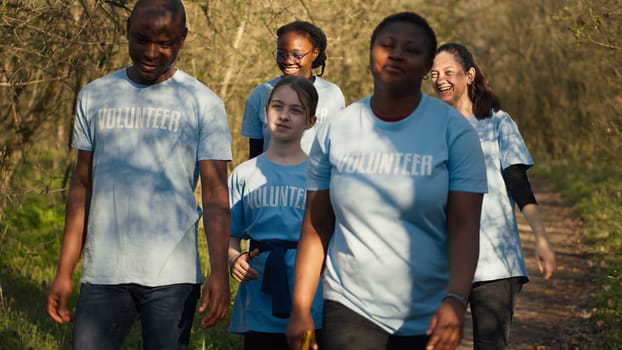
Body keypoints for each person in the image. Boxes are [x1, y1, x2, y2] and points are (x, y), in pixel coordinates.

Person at [286, 12, 488, 350]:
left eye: (411, 49)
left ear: (426, 66)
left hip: (428, 312)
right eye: (387, 45)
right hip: (350, 305)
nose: (396, 54)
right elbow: (316, 225)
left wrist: (455, 299)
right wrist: (301, 308)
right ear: (370, 54)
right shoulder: (338, 129)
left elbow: (464, 226)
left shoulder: (454, 132)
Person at [45, 1, 232, 348]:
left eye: (165, 43)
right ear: (127, 29)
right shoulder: (95, 96)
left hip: (172, 278)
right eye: (141, 39)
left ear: (183, 39)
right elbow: (81, 186)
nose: (151, 52)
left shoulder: (203, 103)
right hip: (103, 273)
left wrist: (219, 272)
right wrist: (64, 271)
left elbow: (216, 195)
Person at [430, 42, 557, 350]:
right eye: (433, 74)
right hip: (440, 262)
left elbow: (518, 183)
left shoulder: (498, 122)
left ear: (469, 75)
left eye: (449, 72)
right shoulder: (428, 129)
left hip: (495, 262)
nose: (440, 79)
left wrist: (540, 237)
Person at [228, 76, 322, 350]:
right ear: (265, 111)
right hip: (259, 299)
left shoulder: (319, 176)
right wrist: (235, 259)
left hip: (309, 303)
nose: (284, 116)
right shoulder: (244, 174)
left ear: (310, 121)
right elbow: (231, 233)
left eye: (296, 110)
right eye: (277, 106)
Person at [240, 20, 345, 158]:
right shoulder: (261, 94)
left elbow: (339, 147)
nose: (288, 60)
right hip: (271, 177)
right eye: (282, 54)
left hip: (317, 178)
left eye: (297, 55)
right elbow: (255, 153)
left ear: (314, 53)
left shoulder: (332, 94)